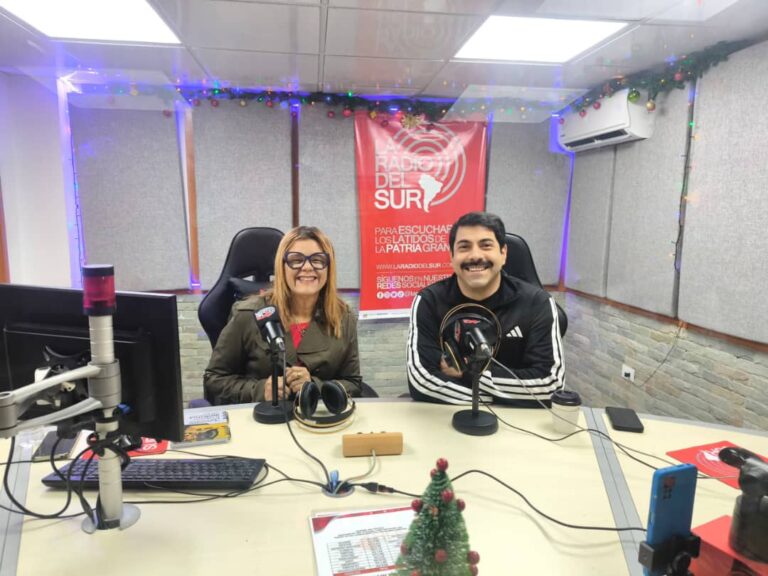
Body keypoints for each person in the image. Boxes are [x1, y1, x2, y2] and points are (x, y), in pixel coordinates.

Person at [406, 211, 565, 406]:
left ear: (503, 253)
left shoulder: (537, 303)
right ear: (452, 257)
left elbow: (550, 386)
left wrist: (468, 374)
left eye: (486, 245)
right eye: (464, 247)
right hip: (448, 417)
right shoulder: (429, 301)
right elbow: (422, 382)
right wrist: (503, 397)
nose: (475, 256)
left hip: (521, 420)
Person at [204, 226, 362, 405]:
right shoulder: (249, 314)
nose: (307, 267)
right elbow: (214, 378)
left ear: (329, 268)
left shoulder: (343, 317)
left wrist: (315, 386)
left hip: (319, 416)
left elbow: (353, 383)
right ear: (282, 266)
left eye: (317, 260)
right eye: (296, 260)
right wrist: (259, 390)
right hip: (263, 416)